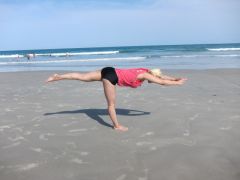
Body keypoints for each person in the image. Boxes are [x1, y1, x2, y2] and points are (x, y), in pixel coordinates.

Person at [46, 67, 187, 131]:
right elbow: (161, 82)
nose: (152, 80)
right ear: (152, 76)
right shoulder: (146, 76)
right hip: (111, 78)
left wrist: (175, 78)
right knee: (111, 104)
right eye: (153, 78)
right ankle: (116, 126)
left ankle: (58, 77)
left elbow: (161, 77)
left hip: (110, 70)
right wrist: (177, 83)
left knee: (82, 77)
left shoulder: (144, 70)